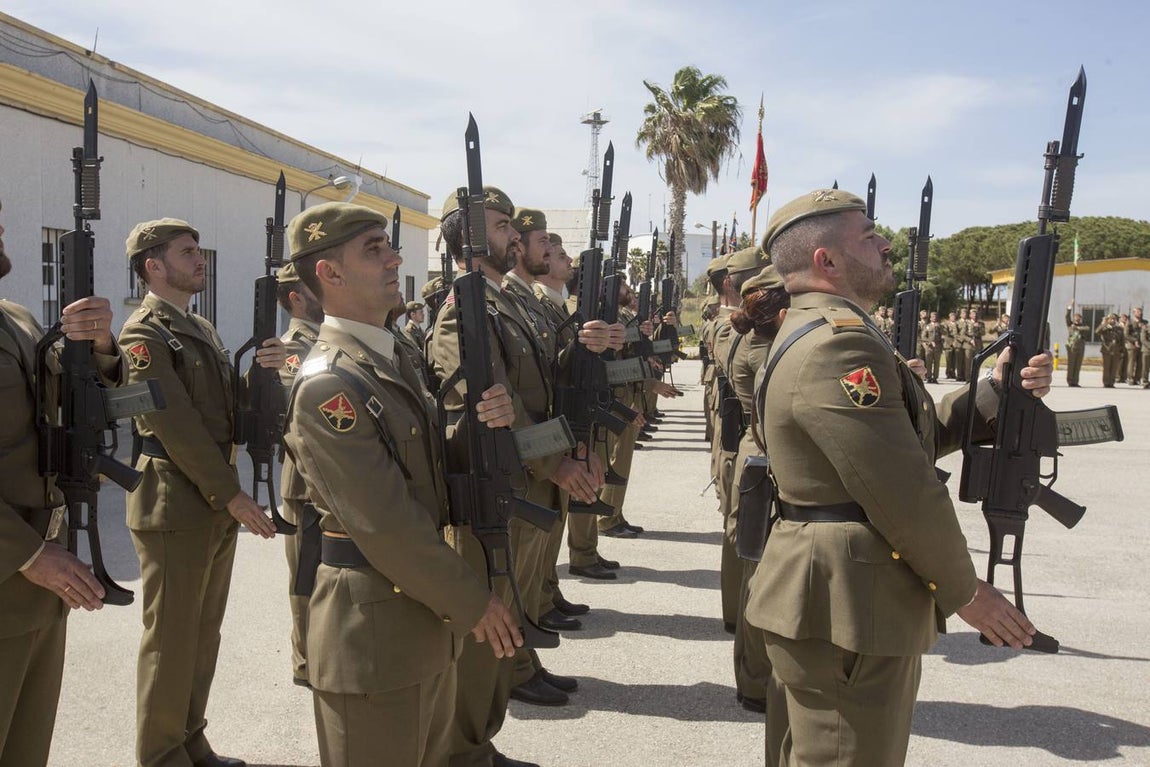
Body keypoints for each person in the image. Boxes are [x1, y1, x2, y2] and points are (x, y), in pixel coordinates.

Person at [745, 189, 1051, 767]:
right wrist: (967, 593)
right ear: (826, 261)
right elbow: (903, 491)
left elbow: (904, 440)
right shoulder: (838, 344)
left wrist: (996, 391)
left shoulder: (824, 332)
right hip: (848, 603)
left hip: (835, 593)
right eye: (867, 234)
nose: (885, 243)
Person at [280, 202, 522, 767]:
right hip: (372, 637)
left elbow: (427, 469)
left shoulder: (391, 358)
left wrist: (484, 424)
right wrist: (474, 603)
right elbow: (385, 523)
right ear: (329, 274)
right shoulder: (328, 385)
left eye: (388, 245)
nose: (394, 258)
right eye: (373, 249)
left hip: (417, 623)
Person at [429, 186, 605, 765]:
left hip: (529, 480)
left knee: (514, 609)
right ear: (472, 236)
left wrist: (590, 348)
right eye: (502, 226)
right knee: (485, 631)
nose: (514, 235)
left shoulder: (511, 303)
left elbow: (547, 386)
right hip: (500, 482)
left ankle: (481, 739)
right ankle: (461, 748)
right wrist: (553, 460)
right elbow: (489, 409)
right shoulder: (463, 312)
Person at [119, 218, 286, 767]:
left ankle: (190, 738)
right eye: (187, 252)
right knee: (170, 640)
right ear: (154, 266)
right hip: (174, 499)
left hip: (208, 501)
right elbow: (173, 425)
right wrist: (232, 495)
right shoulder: (143, 335)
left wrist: (258, 378)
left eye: (199, 251)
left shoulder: (201, 328)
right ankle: (161, 753)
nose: (200, 260)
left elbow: (218, 410)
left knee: (201, 634)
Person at [0, 204, 124, 767]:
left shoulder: (17, 318)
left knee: (28, 748)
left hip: (37, 582)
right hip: (19, 562)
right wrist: (27, 554)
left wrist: (97, 346)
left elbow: (68, 397)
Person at [533, 234, 620, 582]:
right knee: (547, 516)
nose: (568, 261)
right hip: (551, 423)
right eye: (559, 255)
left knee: (561, 506)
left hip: (572, 412)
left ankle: (549, 590)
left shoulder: (562, 306)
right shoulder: (539, 305)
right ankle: (545, 590)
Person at [727, 265, 790, 713]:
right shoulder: (764, 352)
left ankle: (755, 677)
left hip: (758, 452)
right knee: (758, 574)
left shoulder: (760, 343)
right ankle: (753, 680)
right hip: (767, 458)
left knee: (754, 567)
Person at [1096, 313, 1123, 388]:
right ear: (1108, 320)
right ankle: (1106, 382)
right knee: (1107, 367)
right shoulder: (1105, 328)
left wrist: (1122, 350)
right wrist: (1103, 324)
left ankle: (1111, 382)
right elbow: (1097, 331)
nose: (1112, 320)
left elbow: (1122, 340)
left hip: (1116, 350)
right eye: (1111, 319)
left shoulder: (1119, 328)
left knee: (1114, 367)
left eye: (1114, 319)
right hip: (1107, 349)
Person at [1065, 304, 1089, 387]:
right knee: (1071, 364)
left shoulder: (1082, 326)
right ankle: (1070, 381)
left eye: (1079, 317)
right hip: (1072, 347)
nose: (1077, 318)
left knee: (1078, 364)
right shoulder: (1070, 324)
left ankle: (1075, 381)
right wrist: (1069, 308)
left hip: (1081, 346)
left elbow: (1087, 328)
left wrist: (1078, 328)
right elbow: (1067, 317)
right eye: (1076, 317)